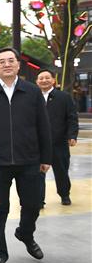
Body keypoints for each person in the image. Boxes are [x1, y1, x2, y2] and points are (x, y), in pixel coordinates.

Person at [0, 47, 51, 263]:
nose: (7, 64)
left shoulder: (32, 91)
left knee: (34, 203)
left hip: (30, 159)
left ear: (19, 65)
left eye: (11, 61)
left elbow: (43, 125)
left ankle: (25, 233)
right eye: (2, 61)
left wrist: (46, 157)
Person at [36, 69, 78, 206]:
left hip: (58, 142)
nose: (44, 80)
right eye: (41, 78)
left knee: (61, 171)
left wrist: (72, 135)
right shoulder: (33, 97)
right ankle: (39, 199)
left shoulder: (64, 97)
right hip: (37, 144)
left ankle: (65, 195)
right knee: (37, 174)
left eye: (47, 78)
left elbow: (72, 117)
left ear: (54, 80)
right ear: (37, 82)